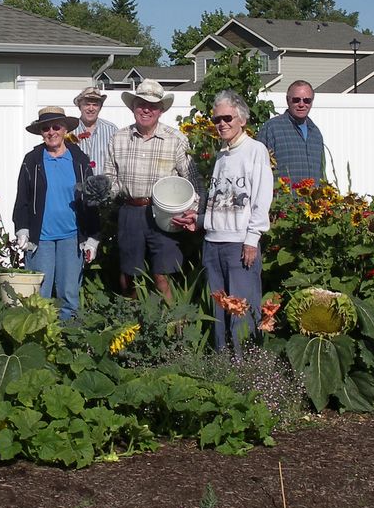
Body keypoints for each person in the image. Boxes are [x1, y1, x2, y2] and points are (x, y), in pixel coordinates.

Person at [173, 90, 272, 350]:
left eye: (227, 118)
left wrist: (252, 239)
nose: (221, 124)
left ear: (242, 119)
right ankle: (222, 370)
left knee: (240, 313)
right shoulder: (222, 154)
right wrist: (201, 221)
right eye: (217, 120)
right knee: (219, 314)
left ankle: (246, 372)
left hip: (239, 246)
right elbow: (223, 203)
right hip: (213, 243)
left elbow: (262, 198)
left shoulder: (255, 151)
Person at [104, 79, 199, 301]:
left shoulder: (176, 139)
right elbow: (112, 180)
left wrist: (192, 211)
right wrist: (103, 190)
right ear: (133, 107)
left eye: (153, 105)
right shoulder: (119, 138)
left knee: (163, 274)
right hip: (131, 211)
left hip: (165, 213)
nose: (146, 109)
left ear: (161, 110)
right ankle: (132, 326)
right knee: (129, 275)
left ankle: (174, 326)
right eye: (141, 104)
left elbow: (193, 181)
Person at [12, 107, 101, 320]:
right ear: (41, 132)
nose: (51, 132)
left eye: (56, 127)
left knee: (68, 296)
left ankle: (68, 342)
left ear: (64, 129)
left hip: (72, 236)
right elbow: (22, 198)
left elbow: (91, 200)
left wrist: (93, 237)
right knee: (39, 296)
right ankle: (40, 339)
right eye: (46, 128)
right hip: (41, 237)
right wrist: (22, 229)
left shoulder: (79, 159)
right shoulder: (32, 160)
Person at [258, 80, 324, 185]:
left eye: (307, 100)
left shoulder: (315, 133)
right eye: (296, 100)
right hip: (283, 199)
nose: (301, 104)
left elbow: (321, 172)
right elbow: (258, 169)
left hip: (311, 200)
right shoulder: (272, 128)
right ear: (288, 100)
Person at [72, 86, 119, 174]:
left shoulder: (111, 130)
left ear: (100, 107)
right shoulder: (70, 131)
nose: (91, 108)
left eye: (95, 105)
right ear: (80, 106)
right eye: (87, 104)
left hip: (104, 185)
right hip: (78, 184)